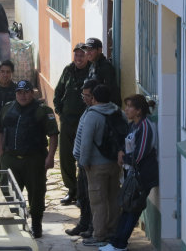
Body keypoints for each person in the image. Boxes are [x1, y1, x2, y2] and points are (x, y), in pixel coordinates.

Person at [0, 80, 59, 238]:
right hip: (11, 158)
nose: (22, 96)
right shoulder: (7, 108)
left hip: (34, 159)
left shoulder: (43, 111)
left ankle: (36, 225)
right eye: (19, 92)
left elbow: (53, 135)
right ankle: (12, 223)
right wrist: (1, 152)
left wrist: (50, 157)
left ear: (32, 93)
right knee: (8, 192)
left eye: (26, 92)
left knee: (36, 193)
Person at [99, 95, 158, 251]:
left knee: (132, 209)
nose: (126, 109)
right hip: (132, 174)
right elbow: (128, 146)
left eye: (130, 107)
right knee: (127, 207)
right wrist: (121, 153)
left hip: (142, 176)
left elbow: (139, 154)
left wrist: (123, 157)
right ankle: (116, 242)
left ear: (138, 110)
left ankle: (120, 244)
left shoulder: (145, 126)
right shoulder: (134, 125)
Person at [79, 85, 123, 247]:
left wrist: (84, 162)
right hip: (114, 162)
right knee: (113, 198)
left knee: (98, 201)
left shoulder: (93, 115)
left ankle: (99, 235)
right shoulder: (118, 111)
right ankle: (112, 230)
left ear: (94, 98)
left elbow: (86, 142)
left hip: (96, 165)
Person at [53, 42, 90, 205]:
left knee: (83, 156)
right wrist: (59, 109)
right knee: (66, 156)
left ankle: (83, 191)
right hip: (67, 120)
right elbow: (59, 90)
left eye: (82, 55)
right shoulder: (68, 70)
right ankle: (71, 190)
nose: (79, 58)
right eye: (76, 55)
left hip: (84, 121)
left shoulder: (92, 71)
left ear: (87, 56)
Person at [66, 79, 99, 238]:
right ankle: (83, 224)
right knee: (82, 196)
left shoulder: (97, 113)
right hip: (82, 162)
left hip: (90, 163)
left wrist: (84, 161)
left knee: (91, 197)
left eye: (87, 95)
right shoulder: (88, 110)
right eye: (83, 95)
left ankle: (93, 227)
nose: (84, 98)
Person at [82, 38, 121, 107]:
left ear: (99, 50)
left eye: (90, 50)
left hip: (103, 109)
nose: (88, 53)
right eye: (86, 50)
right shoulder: (92, 65)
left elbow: (109, 91)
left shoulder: (105, 67)